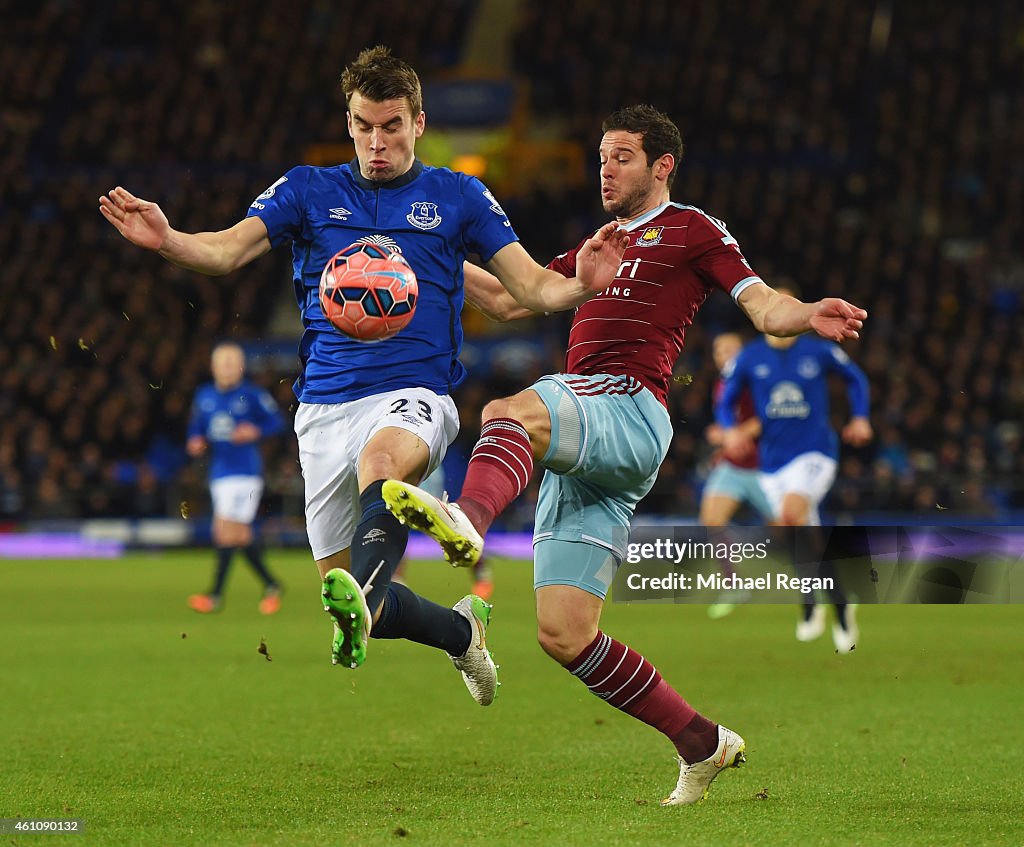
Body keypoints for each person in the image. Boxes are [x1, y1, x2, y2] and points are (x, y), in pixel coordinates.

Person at [99, 46, 626, 706]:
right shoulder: (308, 190)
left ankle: (385, 567)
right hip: (323, 407)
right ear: (348, 122)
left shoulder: (458, 196)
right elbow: (228, 249)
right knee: (355, 602)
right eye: (363, 126)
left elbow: (527, 289)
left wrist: (582, 284)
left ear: (419, 123)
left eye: (392, 126)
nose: (377, 142)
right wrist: (169, 238)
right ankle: (461, 632)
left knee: (384, 462)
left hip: (415, 393)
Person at [381, 104, 868, 804]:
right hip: (585, 443)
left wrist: (806, 312)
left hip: (627, 406)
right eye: (602, 156)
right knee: (564, 632)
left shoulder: (692, 229)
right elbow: (514, 299)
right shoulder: (598, 243)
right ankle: (702, 742)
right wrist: (422, 250)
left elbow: (761, 305)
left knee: (505, 411)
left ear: (661, 164)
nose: (605, 168)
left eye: (622, 156)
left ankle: (466, 519)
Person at [716, 293, 873, 653]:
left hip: (814, 453)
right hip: (772, 464)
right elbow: (726, 401)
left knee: (791, 516)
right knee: (800, 536)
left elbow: (855, 378)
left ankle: (811, 602)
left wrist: (860, 416)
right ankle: (839, 602)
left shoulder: (817, 351)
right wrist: (729, 429)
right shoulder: (750, 357)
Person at [185, 341, 285, 614]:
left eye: (232, 363)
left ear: (240, 367)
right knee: (239, 535)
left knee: (225, 532)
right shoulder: (204, 395)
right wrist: (195, 441)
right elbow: (196, 427)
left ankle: (215, 595)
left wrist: (255, 431)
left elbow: (277, 421)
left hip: (246, 472)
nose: (227, 369)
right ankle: (271, 584)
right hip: (220, 471)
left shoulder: (251, 394)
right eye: (222, 363)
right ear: (214, 367)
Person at [699, 332, 773, 619]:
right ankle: (734, 585)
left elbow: (768, 416)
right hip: (733, 466)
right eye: (719, 350)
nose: (724, 355)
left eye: (730, 349)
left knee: (790, 527)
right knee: (712, 520)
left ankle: (826, 581)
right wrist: (723, 437)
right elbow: (729, 423)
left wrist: (734, 434)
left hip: (765, 467)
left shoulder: (757, 380)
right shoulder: (721, 384)